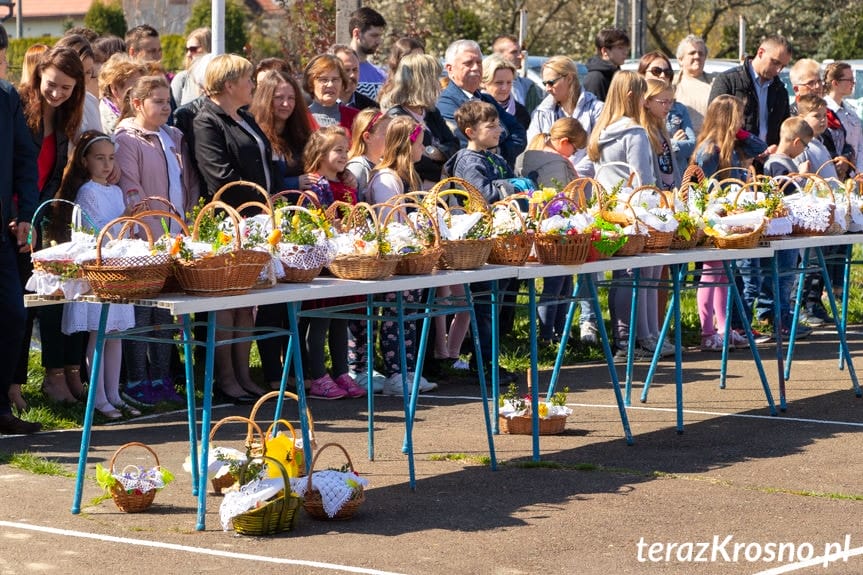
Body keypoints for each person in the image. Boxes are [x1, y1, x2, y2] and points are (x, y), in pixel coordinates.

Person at [193, 53, 274, 403]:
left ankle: (243, 374)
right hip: (228, 221)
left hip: (255, 219)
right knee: (226, 302)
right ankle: (225, 378)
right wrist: (255, 206)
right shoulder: (206, 121)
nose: (253, 85)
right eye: (247, 79)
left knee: (247, 303)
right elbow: (218, 174)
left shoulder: (244, 117)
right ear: (229, 85)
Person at [114, 75, 200, 405]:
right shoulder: (128, 138)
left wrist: (189, 216)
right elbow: (130, 185)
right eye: (158, 102)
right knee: (142, 311)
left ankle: (163, 378)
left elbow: (187, 180)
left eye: (168, 101)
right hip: (144, 236)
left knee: (166, 314)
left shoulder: (173, 136)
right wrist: (141, 227)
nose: (166, 107)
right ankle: (137, 379)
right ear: (138, 104)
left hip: (176, 233)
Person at [17, 46, 87, 405]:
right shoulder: (19, 109)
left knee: (28, 306)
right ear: (39, 76)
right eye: (52, 84)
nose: (57, 93)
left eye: (66, 88)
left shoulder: (62, 123)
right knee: (16, 309)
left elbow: (48, 180)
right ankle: (13, 386)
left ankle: (17, 385)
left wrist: (34, 220)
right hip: (12, 219)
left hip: (31, 222)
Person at [57, 131, 138, 419]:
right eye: (99, 158)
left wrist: (131, 220)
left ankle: (114, 393)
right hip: (98, 271)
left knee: (116, 333)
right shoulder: (87, 192)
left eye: (111, 158)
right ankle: (98, 397)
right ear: (85, 160)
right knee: (99, 332)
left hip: (118, 270)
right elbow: (97, 231)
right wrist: (125, 218)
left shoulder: (115, 191)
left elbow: (122, 231)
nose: (106, 164)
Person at [249, 68, 318, 391]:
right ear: (266, 99)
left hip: (297, 222)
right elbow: (267, 181)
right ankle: (272, 371)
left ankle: (294, 369)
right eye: (280, 98)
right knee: (273, 302)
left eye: (291, 98)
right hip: (269, 221)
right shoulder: (259, 136)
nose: (287, 104)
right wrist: (293, 182)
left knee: (295, 302)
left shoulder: (299, 134)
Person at [443, 100, 519, 384]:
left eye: (498, 124)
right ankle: (483, 363)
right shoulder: (468, 160)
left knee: (494, 306)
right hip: (476, 243)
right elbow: (482, 196)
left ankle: (486, 360)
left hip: (498, 241)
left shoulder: (495, 158)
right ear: (470, 131)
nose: (499, 130)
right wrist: (513, 188)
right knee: (485, 306)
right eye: (492, 126)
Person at [587, 71, 659, 358]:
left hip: (608, 208)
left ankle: (626, 338)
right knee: (633, 275)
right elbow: (642, 176)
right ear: (632, 97)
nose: (645, 101)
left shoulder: (602, 130)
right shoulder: (635, 132)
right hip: (633, 209)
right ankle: (632, 339)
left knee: (622, 275)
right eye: (642, 95)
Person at [363, 116, 437, 395]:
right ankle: (396, 373)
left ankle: (406, 371)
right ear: (408, 144)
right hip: (395, 260)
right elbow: (391, 220)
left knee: (407, 317)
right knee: (396, 317)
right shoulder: (387, 179)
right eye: (419, 143)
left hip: (408, 258)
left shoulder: (404, 177)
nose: (423, 148)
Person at [693, 95, 768, 350]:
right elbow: (699, 186)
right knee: (711, 274)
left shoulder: (733, 146)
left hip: (730, 217)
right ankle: (706, 332)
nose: (742, 121)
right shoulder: (708, 150)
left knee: (724, 274)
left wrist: (741, 133)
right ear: (727, 118)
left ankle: (724, 329)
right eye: (737, 116)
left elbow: (761, 148)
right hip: (714, 218)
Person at [300, 126, 365, 400]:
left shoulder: (345, 184)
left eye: (345, 149)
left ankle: (340, 371)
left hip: (344, 261)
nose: (344, 155)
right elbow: (311, 221)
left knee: (341, 318)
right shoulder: (315, 187)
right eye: (338, 149)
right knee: (320, 321)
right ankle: (318, 375)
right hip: (323, 265)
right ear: (320, 154)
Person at [0, 34, 42, 433]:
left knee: (13, 316)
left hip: (2, 232)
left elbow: (25, 160)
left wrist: (27, 213)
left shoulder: (7, 97)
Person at [515, 118, 587, 344]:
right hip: (556, 230)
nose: (574, 153)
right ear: (564, 141)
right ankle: (549, 335)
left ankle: (555, 333)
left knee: (557, 283)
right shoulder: (556, 163)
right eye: (575, 148)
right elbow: (566, 197)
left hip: (531, 229)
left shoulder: (527, 155)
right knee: (558, 285)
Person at [437, 39, 526, 166]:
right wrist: (502, 136)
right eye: (468, 63)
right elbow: (463, 143)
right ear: (450, 69)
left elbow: (519, 132)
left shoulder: (487, 100)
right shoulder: (445, 104)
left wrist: (498, 150)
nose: (475, 68)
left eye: (479, 62)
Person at [381, 52, 458, 188]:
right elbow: (413, 160)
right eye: (434, 77)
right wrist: (444, 169)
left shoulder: (431, 112)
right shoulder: (397, 117)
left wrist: (432, 151)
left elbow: (454, 145)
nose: (439, 83)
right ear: (421, 81)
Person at [709, 35, 792, 152]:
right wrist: (748, 151)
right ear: (760, 52)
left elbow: (784, 128)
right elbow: (716, 124)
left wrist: (778, 149)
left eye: (782, 66)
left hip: (767, 162)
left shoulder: (780, 91)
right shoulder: (728, 81)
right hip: (733, 160)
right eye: (775, 62)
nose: (778, 70)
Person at [527, 55, 603, 177]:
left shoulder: (596, 110)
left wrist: (571, 176)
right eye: (545, 83)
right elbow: (533, 148)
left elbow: (598, 152)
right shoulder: (541, 112)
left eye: (551, 83)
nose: (547, 89)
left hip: (585, 187)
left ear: (569, 78)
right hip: (548, 184)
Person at [638, 51, 696, 170]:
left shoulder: (679, 109)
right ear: (642, 74)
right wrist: (672, 143)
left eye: (668, 72)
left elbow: (691, 145)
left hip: (678, 175)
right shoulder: (635, 108)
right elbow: (641, 147)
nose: (663, 75)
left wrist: (667, 145)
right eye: (656, 71)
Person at [643, 79, 683, 190]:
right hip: (656, 197)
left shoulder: (661, 129)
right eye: (663, 102)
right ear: (647, 102)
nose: (668, 107)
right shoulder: (643, 133)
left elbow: (672, 166)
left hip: (672, 195)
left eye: (671, 102)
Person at [823, 61, 862, 174]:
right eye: (849, 80)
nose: (853, 83)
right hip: (836, 173)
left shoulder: (851, 111)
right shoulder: (823, 111)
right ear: (835, 83)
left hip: (856, 173)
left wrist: (859, 172)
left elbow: (860, 144)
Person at [303, 54, 358, 132]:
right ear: (311, 84)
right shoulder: (302, 119)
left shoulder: (355, 118)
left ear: (342, 84)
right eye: (324, 80)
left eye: (335, 79)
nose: (330, 85)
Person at [491, 34, 545, 114]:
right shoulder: (483, 84)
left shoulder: (527, 85)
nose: (520, 56)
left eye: (519, 51)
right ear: (499, 55)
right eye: (514, 52)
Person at [346, 107, 391, 200]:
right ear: (367, 137)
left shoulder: (383, 163)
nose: (391, 139)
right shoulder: (358, 168)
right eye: (386, 134)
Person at [672, 35, 712, 132]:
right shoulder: (672, 84)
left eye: (701, 53)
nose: (697, 56)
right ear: (680, 59)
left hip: (710, 144)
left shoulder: (715, 83)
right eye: (692, 53)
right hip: (682, 144)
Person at [98, 53, 146, 134]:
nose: (141, 94)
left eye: (143, 88)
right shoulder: (103, 125)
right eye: (134, 89)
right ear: (114, 89)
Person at [348, 6, 388, 101]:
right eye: (374, 35)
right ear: (357, 33)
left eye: (380, 36)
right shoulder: (335, 71)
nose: (379, 41)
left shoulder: (382, 76)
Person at [482, 54, 530, 129]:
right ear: (484, 83)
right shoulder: (474, 110)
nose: (505, 88)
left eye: (509, 82)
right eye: (499, 83)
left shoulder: (521, 113)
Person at [583, 28, 630, 102]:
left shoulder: (616, 74)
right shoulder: (596, 78)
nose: (625, 52)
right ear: (604, 51)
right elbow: (595, 112)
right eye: (620, 48)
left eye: (626, 48)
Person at [172, 27, 211, 106]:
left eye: (193, 49)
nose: (188, 54)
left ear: (209, 48)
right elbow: (171, 112)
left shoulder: (224, 79)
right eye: (187, 49)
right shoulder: (182, 79)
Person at [331, 45, 377, 110]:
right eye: (346, 70)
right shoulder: (318, 106)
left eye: (355, 70)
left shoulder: (371, 108)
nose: (352, 75)